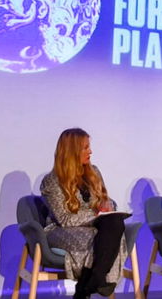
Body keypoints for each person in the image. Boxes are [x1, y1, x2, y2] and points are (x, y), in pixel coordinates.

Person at [40, 128, 126, 299]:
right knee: (100, 238)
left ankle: (91, 282)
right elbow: (64, 219)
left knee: (115, 221)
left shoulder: (94, 172)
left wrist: (107, 204)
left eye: (89, 147)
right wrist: (96, 215)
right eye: (85, 147)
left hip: (94, 224)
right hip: (61, 230)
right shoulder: (52, 180)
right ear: (71, 151)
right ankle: (92, 283)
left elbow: (107, 200)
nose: (90, 151)